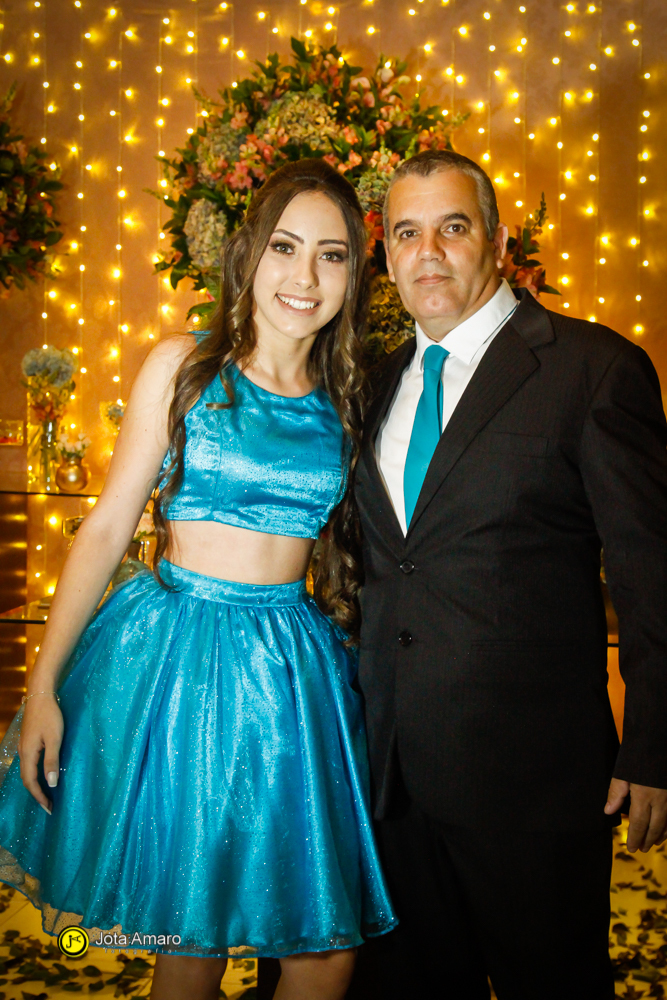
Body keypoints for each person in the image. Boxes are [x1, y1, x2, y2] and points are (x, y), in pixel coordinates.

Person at [0, 158, 397, 1000]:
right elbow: (106, 528)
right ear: (248, 253)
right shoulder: (183, 368)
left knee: (324, 950)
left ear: (353, 275)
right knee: (191, 940)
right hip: (178, 662)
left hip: (290, 674)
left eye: (330, 255)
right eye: (285, 246)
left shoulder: (349, 396)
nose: (304, 275)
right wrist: (43, 685)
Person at [349, 149, 667, 1000]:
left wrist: (654, 745)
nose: (427, 253)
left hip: (533, 782)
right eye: (405, 234)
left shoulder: (590, 368)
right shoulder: (369, 383)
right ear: (385, 257)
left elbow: (650, 574)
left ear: (495, 242)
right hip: (387, 781)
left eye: (451, 227)